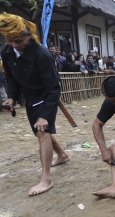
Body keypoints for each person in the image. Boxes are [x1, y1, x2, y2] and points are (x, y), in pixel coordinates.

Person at [0, 13, 70, 196]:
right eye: (10, 41)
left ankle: (46, 179)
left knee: (42, 131)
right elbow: (12, 78)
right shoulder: (6, 52)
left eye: (18, 40)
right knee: (40, 132)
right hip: (29, 97)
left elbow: (54, 88)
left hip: (46, 96)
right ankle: (62, 155)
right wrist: (12, 98)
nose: (15, 45)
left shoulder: (42, 54)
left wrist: (45, 115)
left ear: (28, 35)